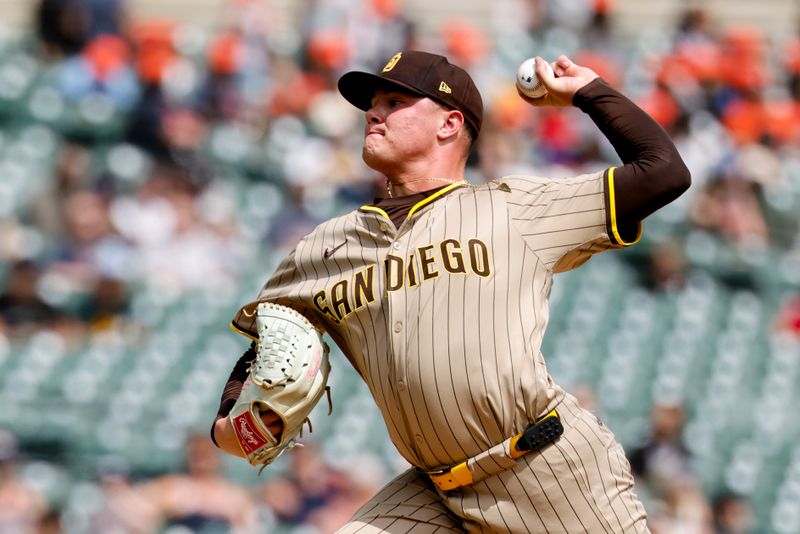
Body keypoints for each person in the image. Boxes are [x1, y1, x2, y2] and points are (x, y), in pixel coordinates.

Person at [212, 49, 690, 532]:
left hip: (547, 473)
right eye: (373, 103)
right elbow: (266, 337)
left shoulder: (513, 208)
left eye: (396, 101)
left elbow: (664, 172)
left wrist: (589, 92)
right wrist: (228, 425)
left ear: (449, 124)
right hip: (435, 492)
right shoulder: (325, 247)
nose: (374, 112)